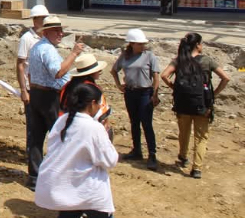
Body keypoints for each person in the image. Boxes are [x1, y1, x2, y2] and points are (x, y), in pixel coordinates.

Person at [35, 83, 118, 218]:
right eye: (99, 104)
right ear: (92, 104)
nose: (99, 107)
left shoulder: (62, 121)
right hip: (87, 192)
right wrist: (106, 137)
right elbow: (110, 161)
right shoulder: (93, 127)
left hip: (63, 189)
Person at [26, 15, 85, 189]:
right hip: (49, 97)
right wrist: (74, 53)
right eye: (57, 31)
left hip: (36, 93)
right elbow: (58, 72)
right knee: (59, 135)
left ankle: (34, 176)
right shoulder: (48, 50)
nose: (61, 34)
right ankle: (58, 175)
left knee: (36, 137)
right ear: (46, 32)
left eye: (61, 31)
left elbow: (30, 74)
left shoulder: (37, 47)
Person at [160, 32, 230, 179]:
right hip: (202, 105)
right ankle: (196, 169)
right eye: (201, 43)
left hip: (183, 104)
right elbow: (226, 78)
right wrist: (214, 94)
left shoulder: (179, 60)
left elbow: (164, 75)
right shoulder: (207, 61)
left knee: (184, 132)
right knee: (201, 137)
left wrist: (174, 88)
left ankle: (183, 157)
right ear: (197, 45)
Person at [109, 28, 161, 170]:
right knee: (134, 122)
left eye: (143, 44)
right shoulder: (125, 56)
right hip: (130, 93)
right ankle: (137, 150)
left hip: (145, 93)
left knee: (146, 123)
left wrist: (155, 93)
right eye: (139, 44)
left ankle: (152, 154)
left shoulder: (149, 56)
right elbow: (114, 70)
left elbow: (156, 76)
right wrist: (119, 85)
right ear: (131, 44)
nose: (142, 46)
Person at [15, 5, 50, 153]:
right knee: (33, 125)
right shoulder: (27, 39)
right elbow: (20, 65)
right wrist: (24, 90)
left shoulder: (47, 37)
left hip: (47, 87)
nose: (45, 21)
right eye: (42, 18)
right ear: (35, 20)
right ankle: (32, 154)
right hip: (32, 88)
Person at [59, 54, 112, 140]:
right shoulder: (93, 89)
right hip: (88, 130)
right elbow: (102, 115)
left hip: (65, 125)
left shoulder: (67, 86)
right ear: (92, 72)